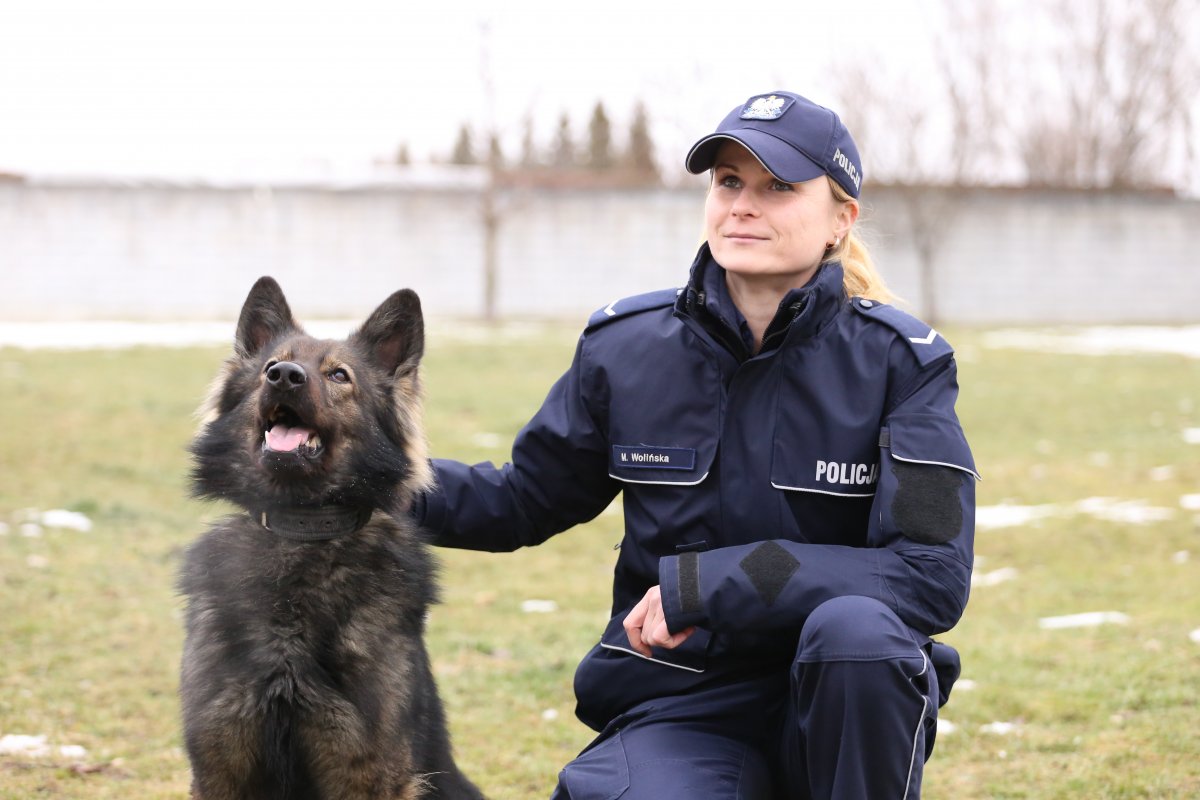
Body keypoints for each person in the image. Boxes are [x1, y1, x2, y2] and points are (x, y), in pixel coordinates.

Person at [412, 90, 979, 799]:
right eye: (729, 182)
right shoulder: (626, 350)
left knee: (858, 632)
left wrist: (710, 583)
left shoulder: (904, 365)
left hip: (841, 700)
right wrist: (362, 480)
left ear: (841, 220)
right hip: (678, 698)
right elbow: (524, 500)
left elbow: (929, 574)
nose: (743, 204)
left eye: (778, 187)